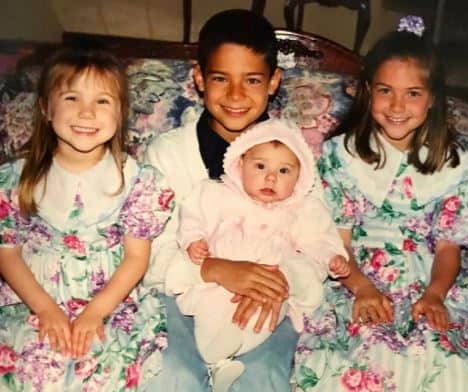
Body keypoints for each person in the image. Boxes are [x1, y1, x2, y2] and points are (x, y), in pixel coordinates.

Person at [294, 17, 468, 391]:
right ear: (368, 92)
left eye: (413, 93)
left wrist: (434, 294)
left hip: (430, 283)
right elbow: (337, 244)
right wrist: (362, 287)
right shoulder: (342, 156)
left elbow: (449, 248)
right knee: (365, 362)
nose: (398, 105)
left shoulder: (454, 163)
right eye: (386, 90)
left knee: (454, 364)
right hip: (357, 281)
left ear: (432, 99)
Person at [143, 9, 318, 392]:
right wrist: (215, 269)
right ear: (199, 79)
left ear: (273, 82)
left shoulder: (296, 157)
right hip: (185, 294)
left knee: (261, 379)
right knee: (175, 376)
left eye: (252, 80)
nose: (236, 95)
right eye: (221, 79)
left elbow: (317, 242)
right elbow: (149, 255)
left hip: (267, 297)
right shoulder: (168, 154)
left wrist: (281, 277)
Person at [0, 48, 175, 391]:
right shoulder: (14, 179)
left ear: (121, 113)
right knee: (32, 368)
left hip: (108, 299)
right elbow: (7, 254)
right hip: (34, 297)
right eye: (71, 97)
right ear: (46, 109)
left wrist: (95, 311)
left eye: (102, 101)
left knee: (101, 367)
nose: (86, 112)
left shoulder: (138, 180)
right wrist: (46, 310)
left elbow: (137, 258)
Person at [174, 119, 350, 391]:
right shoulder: (217, 194)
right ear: (240, 164)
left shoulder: (302, 210)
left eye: (284, 170)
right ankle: (214, 358)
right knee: (211, 307)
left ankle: (227, 363)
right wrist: (193, 240)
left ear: (300, 177)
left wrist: (332, 257)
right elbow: (192, 215)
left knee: (267, 314)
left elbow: (319, 239)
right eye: (260, 166)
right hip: (222, 280)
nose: (271, 178)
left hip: (269, 288)